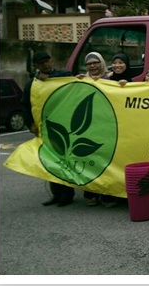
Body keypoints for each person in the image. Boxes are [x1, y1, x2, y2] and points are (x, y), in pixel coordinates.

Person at [22, 50, 75, 207]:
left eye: (48, 61)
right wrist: (30, 124)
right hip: (44, 128)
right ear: (36, 66)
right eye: (42, 63)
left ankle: (67, 194)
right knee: (50, 161)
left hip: (64, 126)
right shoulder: (31, 84)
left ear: (52, 61)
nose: (46, 64)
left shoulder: (63, 75)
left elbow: (73, 84)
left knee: (64, 160)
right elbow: (26, 105)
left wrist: (50, 79)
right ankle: (56, 194)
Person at [78, 51, 117, 207]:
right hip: (89, 126)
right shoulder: (82, 80)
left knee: (107, 161)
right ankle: (91, 193)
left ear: (102, 62)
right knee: (90, 160)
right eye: (89, 64)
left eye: (95, 62)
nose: (92, 66)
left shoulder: (111, 78)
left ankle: (107, 194)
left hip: (107, 125)